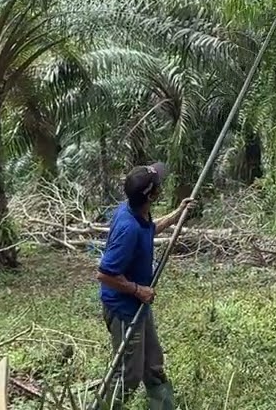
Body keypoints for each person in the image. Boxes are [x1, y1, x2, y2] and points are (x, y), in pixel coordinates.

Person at [95, 162, 192, 410]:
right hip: (125, 310)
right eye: (158, 184)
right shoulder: (127, 228)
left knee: (153, 365)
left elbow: (148, 230)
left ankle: (163, 406)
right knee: (128, 376)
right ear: (152, 195)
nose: (161, 185)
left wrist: (176, 215)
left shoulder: (137, 212)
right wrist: (139, 290)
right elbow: (105, 273)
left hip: (139, 306)